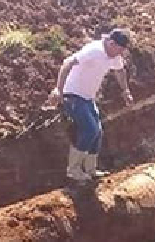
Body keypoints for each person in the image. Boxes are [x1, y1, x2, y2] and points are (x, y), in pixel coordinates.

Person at [44, 29, 134, 184]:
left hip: (87, 98)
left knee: (97, 131)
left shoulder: (113, 54)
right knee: (90, 129)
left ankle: (90, 170)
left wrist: (125, 90)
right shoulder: (94, 50)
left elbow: (120, 71)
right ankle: (73, 170)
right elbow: (67, 63)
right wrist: (58, 89)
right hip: (72, 95)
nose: (120, 54)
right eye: (119, 50)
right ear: (112, 44)